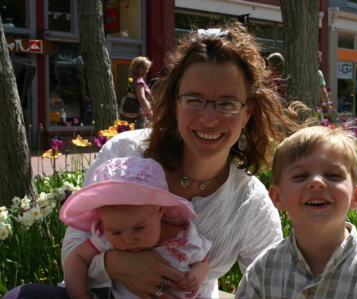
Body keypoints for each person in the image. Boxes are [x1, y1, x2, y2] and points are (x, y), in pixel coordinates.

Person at [4, 23, 302, 299]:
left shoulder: (250, 204)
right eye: (194, 100)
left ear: (247, 112)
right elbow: (75, 244)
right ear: (175, 103)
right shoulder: (125, 154)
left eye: (226, 103)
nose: (209, 118)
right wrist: (113, 264)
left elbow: (270, 282)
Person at [236, 126, 357, 298]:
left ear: (356, 197)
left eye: (333, 176)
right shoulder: (263, 271)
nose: (316, 182)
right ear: (277, 197)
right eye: (300, 176)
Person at [60, 157, 211, 299]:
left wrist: (196, 275)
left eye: (139, 228)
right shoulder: (105, 237)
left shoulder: (183, 236)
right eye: (116, 232)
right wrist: (79, 295)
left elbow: (202, 262)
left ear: (159, 211)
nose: (128, 239)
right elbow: (77, 257)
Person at [120, 56, 153, 128]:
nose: (146, 71)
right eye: (143, 68)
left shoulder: (132, 79)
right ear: (136, 68)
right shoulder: (139, 81)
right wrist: (150, 113)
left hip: (130, 115)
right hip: (138, 117)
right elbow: (141, 98)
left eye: (147, 69)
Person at [318, 51, 331, 117]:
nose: (320, 60)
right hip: (314, 107)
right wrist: (329, 108)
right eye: (318, 58)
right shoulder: (318, 73)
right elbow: (322, 91)